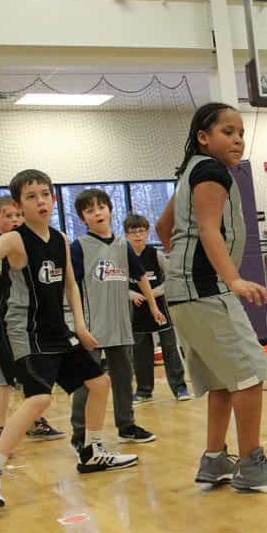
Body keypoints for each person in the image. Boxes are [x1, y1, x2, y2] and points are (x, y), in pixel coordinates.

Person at [0, 169, 139, 508]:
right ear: (18, 204)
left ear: (53, 199)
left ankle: (91, 451)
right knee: (39, 400)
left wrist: (81, 325)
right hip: (24, 331)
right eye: (31, 197)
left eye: (45, 194)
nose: (40, 200)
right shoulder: (14, 239)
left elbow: (71, 285)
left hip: (58, 329)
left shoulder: (59, 238)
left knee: (99, 383)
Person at [157, 102, 267, 493]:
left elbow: (163, 226)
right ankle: (252, 464)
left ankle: (215, 459)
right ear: (204, 137)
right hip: (205, 290)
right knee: (252, 371)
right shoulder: (210, 170)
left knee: (224, 379)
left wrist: (185, 269)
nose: (237, 138)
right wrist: (232, 278)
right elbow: (208, 229)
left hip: (186, 291)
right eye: (227, 131)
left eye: (240, 132)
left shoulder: (191, 171)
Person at [68, 189, 164, 451]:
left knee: (123, 378)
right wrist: (78, 322)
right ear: (83, 218)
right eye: (89, 210)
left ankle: (126, 426)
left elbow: (141, 276)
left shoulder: (123, 245)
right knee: (87, 383)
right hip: (92, 327)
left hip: (121, 324)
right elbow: (71, 285)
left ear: (110, 210)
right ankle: (80, 434)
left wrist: (154, 307)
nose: (97, 212)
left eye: (101, 207)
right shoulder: (79, 247)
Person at [0, 196, 64, 449]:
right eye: (8, 216)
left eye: (18, 215)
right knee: (2, 379)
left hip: (24, 324)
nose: (14, 220)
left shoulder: (27, 244)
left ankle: (35, 422)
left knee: (31, 373)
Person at [124, 214, 192, 402]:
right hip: (136, 313)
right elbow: (119, 282)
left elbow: (172, 279)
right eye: (133, 232)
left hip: (160, 309)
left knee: (170, 348)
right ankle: (144, 390)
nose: (138, 235)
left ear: (147, 232)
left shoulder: (156, 255)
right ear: (126, 235)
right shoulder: (123, 257)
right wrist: (131, 294)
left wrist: (155, 292)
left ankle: (180, 388)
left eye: (141, 231)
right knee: (141, 353)